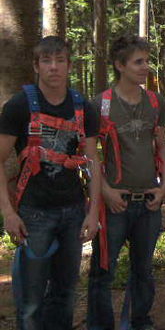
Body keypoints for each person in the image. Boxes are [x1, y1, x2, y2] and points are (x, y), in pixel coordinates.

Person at [0, 36, 101, 330]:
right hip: (33, 213)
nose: (53, 67)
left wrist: (93, 213)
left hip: (73, 210)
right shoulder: (18, 106)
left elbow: (93, 162)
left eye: (60, 61)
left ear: (69, 65)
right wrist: (9, 212)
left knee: (65, 294)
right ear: (36, 65)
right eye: (46, 61)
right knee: (30, 301)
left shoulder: (83, 107)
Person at [87, 36, 165, 330]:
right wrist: (104, 192)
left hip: (148, 200)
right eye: (138, 62)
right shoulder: (100, 105)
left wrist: (164, 187)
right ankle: (100, 324)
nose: (146, 67)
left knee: (144, 270)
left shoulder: (156, 102)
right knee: (103, 270)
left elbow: (162, 147)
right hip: (115, 202)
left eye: (147, 60)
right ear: (120, 65)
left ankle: (140, 320)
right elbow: (89, 155)